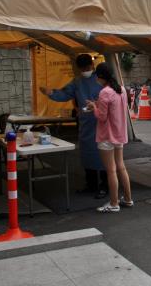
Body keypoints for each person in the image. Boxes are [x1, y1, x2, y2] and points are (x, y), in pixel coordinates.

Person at [39, 54, 107, 198]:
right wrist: (51, 93)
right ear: (78, 68)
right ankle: (91, 184)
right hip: (86, 123)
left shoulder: (101, 79)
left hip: (101, 123)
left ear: (92, 65)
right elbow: (65, 94)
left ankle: (105, 185)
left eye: (87, 68)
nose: (85, 71)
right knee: (88, 154)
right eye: (83, 69)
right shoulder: (77, 82)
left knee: (103, 154)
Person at [86, 62, 133, 213]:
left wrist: (94, 107)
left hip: (107, 135)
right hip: (119, 134)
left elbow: (102, 117)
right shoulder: (121, 89)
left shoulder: (104, 92)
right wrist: (97, 104)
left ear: (101, 77)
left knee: (111, 170)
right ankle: (128, 199)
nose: (96, 79)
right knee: (121, 166)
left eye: (96, 76)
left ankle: (113, 203)